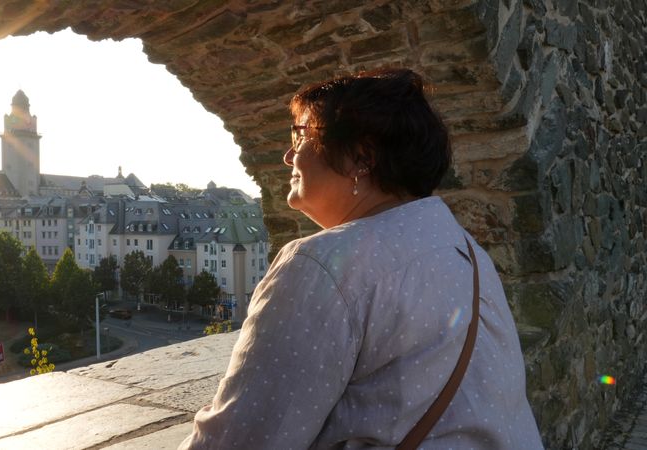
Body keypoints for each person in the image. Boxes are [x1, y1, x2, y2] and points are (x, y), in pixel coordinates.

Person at [179, 69, 542, 449]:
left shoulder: (320, 265)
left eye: (300, 136)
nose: (288, 156)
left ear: (360, 158)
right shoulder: (465, 249)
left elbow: (243, 439)